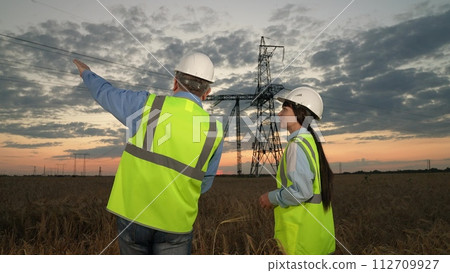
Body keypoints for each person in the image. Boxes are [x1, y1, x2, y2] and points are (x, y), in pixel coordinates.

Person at [73, 52, 223, 255]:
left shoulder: (149, 106)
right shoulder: (214, 130)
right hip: (176, 222)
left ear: (175, 82)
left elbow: (107, 94)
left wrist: (87, 74)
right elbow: (205, 183)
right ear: (207, 92)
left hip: (133, 217)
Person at [258, 86, 335, 255]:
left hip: (300, 241)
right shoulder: (309, 142)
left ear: (299, 114)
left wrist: (271, 198)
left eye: (284, 110)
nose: (279, 114)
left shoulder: (296, 146)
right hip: (316, 239)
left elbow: (302, 192)